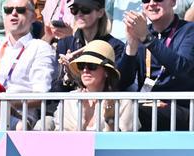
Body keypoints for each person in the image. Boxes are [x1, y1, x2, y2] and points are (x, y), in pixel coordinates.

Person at [118, 0, 194, 131]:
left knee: (129, 111)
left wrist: (148, 39)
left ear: (173, 2)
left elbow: (183, 69)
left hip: (181, 107)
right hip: (146, 105)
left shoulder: (189, 30)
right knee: (110, 109)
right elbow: (122, 82)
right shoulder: (142, 33)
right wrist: (131, 47)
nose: (152, 3)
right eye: (146, 0)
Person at [0, 0, 56, 128]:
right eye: (9, 10)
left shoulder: (40, 48)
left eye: (20, 10)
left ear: (33, 17)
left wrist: (6, 103)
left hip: (20, 116)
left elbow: (40, 96)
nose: (14, 13)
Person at [38, 40, 135, 130]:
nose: (85, 70)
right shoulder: (68, 101)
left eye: (92, 66)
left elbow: (124, 144)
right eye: (81, 65)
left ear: (106, 72)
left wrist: (110, 120)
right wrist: (83, 121)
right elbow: (63, 142)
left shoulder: (123, 102)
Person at [47, 0, 125, 93]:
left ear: (100, 12)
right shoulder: (65, 43)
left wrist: (76, 74)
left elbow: (117, 83)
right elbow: (55, 91)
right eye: (74, 9)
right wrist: (67, 77)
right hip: (72, 105)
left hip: (103, 103)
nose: (79, 14)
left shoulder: (114, 45)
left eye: (85, 9)